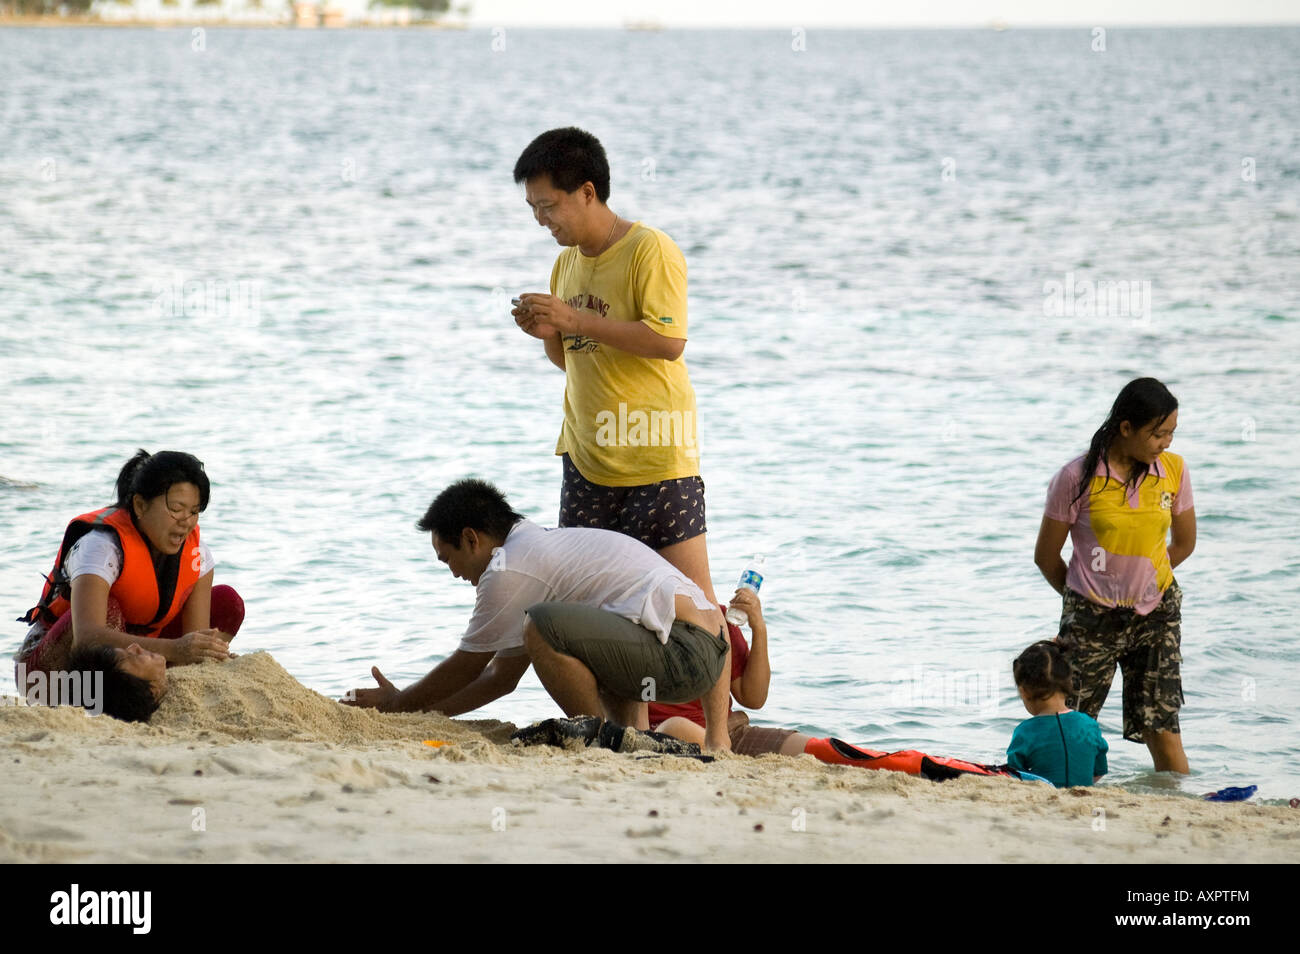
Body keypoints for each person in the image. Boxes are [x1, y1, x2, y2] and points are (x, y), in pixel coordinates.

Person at [344, 478, 733, 751]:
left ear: (471, 539)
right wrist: (422, 712)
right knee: (575, 626)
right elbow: (501, 678)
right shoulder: (538, 551)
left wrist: (398, 704)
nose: (454, 573)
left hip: (684, 653)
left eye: (449, 559)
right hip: (702, 656)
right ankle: (628, 737)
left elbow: (468, 665)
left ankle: (600, 738)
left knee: (542, 625)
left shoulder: (509, 568)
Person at [509, 127, 720, 612]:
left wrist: (571, 318)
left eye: (548, 206)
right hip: (587, 461)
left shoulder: (650, 249)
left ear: (587, 192)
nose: (541, 220)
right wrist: (548, 333)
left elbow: (668, 341)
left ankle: (724, 690)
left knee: (694, 611)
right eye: (533, 209)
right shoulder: (565, 265)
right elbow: (572, 359)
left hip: (655, 458)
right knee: (592, 609)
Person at [1033, 377, 1195, 774]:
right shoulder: (1076, 478)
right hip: (1091, 619)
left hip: (1156, 614)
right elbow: (1046, 556)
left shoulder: (1172, 470)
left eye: (1171, 433)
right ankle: (1068, 796)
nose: (1166, 443)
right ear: (1126, 428)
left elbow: (1184, 543)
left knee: (1162, 724)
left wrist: (1143, 578)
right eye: (1158, 433)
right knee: (1074, 721)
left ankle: (1182, 802)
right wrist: (1083, 596)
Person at [14, 450, 244, 709]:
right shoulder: (100, 547)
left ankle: (151, 686)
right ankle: (93, 703)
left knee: (227, 603)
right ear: (140, 505)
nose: (186, 522)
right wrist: (176, 648)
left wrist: (208, 655)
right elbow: (87, 638)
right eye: (176, 509)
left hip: (140, 658)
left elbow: (193, 648)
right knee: (110, 610)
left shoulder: (198, 555)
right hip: (54, 669)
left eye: (194, 511)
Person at [1006, 641, 1108, 788]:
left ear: (1024, 692)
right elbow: (1099, 771)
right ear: (1068, 683)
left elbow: (1014, 775)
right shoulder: (1089, 725)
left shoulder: (1025, 731)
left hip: (1046, 800)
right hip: (1083, 796)